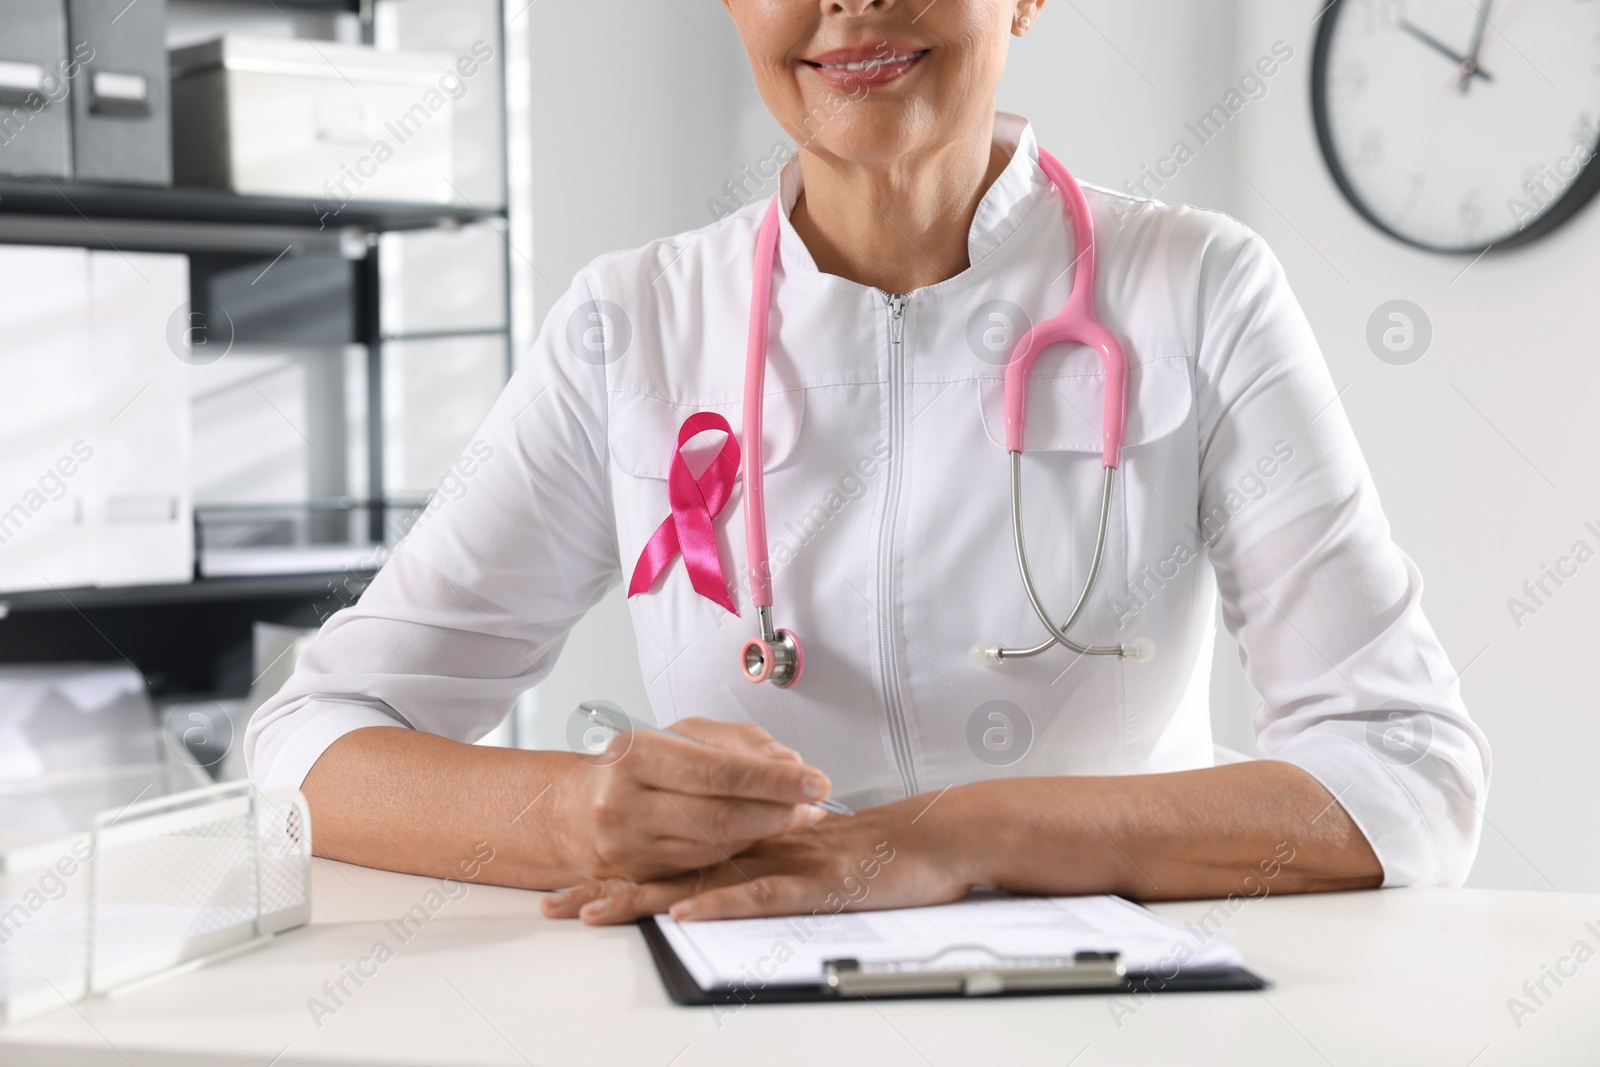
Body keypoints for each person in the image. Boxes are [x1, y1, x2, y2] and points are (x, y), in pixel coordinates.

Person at [245, 0, 1490, 926]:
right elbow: (310, 736)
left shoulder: (1197, 287)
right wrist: (571, 811)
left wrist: (956, 834)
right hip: (734, 1005)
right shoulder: (628, 325)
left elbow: (1404, 770)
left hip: (1123, 1010)